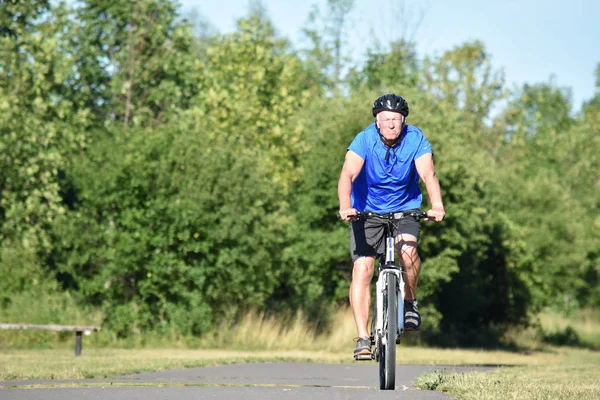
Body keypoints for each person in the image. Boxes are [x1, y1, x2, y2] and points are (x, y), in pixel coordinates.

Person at [337, 93, 445, 358]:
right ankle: (363, 338)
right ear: (377, 121)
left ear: (403, 120)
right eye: (385, 119)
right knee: (363, 268)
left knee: (407, 251)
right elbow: (347, 174)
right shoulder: (364, 139)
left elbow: (428, 174)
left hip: (405, 208)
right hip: (366, 211)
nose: (391, 124)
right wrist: (344, 206)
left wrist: (437, 205)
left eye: (396, 119)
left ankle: (409, 303)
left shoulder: (415, 138)